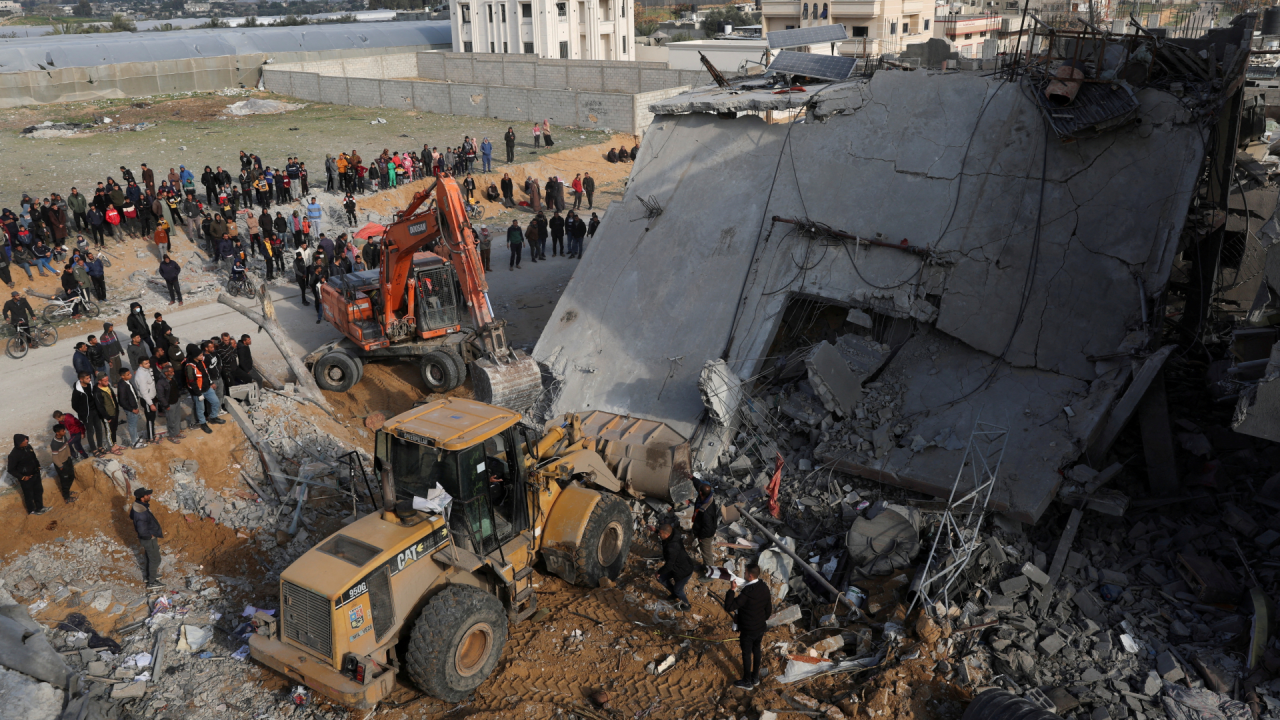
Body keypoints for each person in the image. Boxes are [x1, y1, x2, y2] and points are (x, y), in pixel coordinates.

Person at [723, 562, 772, 689]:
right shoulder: (764, 587)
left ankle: (747, 681)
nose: (743, 574)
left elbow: (728, 607)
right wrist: (760, 620)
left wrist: (732, 590)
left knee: (746, 654)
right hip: (760, 627)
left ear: (750, 576)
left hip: (748, 630)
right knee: (756, 651)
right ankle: (755, 677)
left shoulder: (747, 593)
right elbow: (768, 610)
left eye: (745, 572)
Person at [183, 343, 224, 433]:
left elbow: (206, 374)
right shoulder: (190, 367)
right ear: (195, 356)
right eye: (201, 355)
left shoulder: (201, 362)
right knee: (200, 409)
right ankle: (203, 423)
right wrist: (199, 394)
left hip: (207, 388)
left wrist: (211, 382)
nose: (203, 356)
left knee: (216, 402)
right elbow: (192, 382)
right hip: (198, 391)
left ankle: (213, 417)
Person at [130, 488, 165, 589]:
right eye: (147, 495)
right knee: (155, 560)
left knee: (149, 557)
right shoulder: (140, 512)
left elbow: (131, 516)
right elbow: (142, 529)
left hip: (147, 538)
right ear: (142, 498)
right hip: (149, 540)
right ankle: (152, 582)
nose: (149, 496)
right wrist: (150, 536)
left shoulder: (138, 505)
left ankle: (148, 576)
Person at [656, 524, 694, 611]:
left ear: (667, 535)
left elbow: (669, 565)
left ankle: (686, 605)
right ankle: (674, 594)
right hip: (677, 566)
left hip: (683, 571)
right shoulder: (674, 535)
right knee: (661, 578)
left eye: (660, 533)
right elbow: (665, 531)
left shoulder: (672, 547)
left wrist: (659, 571)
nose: (659, 534)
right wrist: (655, 530)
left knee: (678, 590)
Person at [9, 434, 47, 515]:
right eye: (24, 440)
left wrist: (38, 466)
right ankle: (32, 511)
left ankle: (40, 507)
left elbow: (34, 457)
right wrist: (22, 477)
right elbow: (11, 469)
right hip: (26, 479)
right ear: (19, 442)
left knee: (39, 491)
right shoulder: (13, 455)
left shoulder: (28, 447)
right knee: (29, 495)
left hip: (36, 474)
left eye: (26, 439)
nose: (27, 441)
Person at [71, 373, 105, 457]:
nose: (90, 379)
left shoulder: (89, 385)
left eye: (89, 377)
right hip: (86, 415)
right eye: (87, 378)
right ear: (81, 379)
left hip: (95, 411)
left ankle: (100, 446)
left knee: (99, 428)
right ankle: (94, 449)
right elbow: (74, 405)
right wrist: (83, 413)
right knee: (90, 431)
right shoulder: (77, 391)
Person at [691, 483, 719, 573]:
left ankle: (710, 574)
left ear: (700, 493)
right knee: (704, 551)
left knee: (706, 553)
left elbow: (708, 528)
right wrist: (692, 479)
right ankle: (705, 566)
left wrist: (701, 537)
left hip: (706, 535)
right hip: (704, 530)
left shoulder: (705, 511)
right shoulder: (709, 498)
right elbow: (699, 485)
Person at [50, 424, 78, 504]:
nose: (65, 431)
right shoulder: (54, 444)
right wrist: (60, 466)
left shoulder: (63, 437)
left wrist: (69, 457)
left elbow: (67, 447)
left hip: (67, 460)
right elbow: (54, 457)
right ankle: (66, 498)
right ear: (57, 433)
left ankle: (67, 491)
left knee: (71, 476)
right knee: (64, 481)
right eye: (63, 431)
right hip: (61, 464)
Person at [134, 357, 158, 445]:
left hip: (151, 397)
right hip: (147, 399)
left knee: (152, 417)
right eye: (146, 363)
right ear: (141, 365)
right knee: (150, 419)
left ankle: (152, 435)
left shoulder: (146, 370)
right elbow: (144, 392)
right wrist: (151, 404)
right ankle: (151, 438)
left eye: (148, 363)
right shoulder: (141, 376)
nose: (148, 364)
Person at [309, 256, 329, 324]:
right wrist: (313, 288)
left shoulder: (320, 274)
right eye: (319, 268)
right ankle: (318, 313)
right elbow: (311, 283)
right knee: (317, 301)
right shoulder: (314, 276)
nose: (321, 269)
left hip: (321, 291)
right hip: (317, 290)